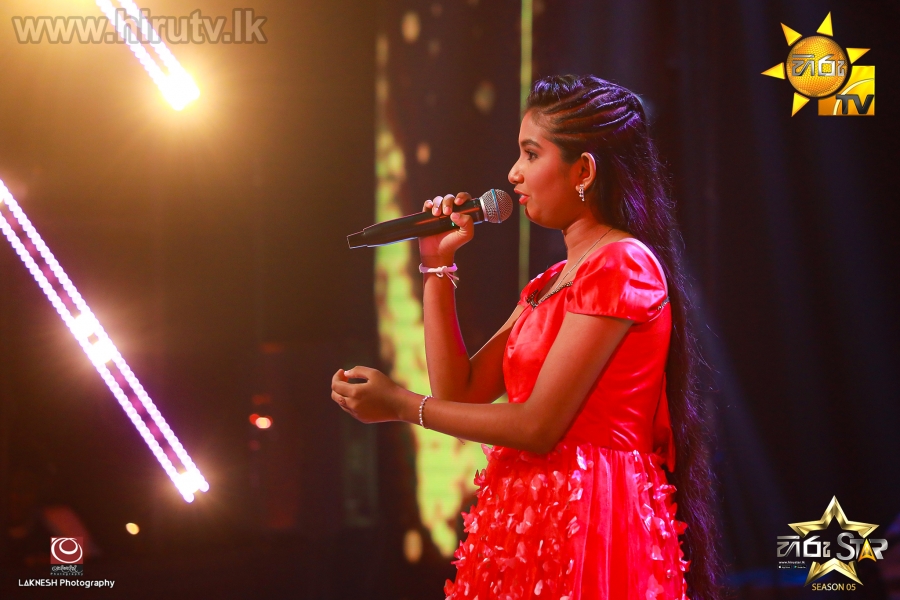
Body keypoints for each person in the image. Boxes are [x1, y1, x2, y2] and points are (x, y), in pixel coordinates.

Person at [331, 75, 721, 600]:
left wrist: (402, 405)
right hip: (526, 517)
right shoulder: (550, 281)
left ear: (584, 171)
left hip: (592, 514)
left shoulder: (622, 263)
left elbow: (538, 426)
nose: (513, 173)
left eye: (531, 154)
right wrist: (436, 265)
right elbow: (460, 391)